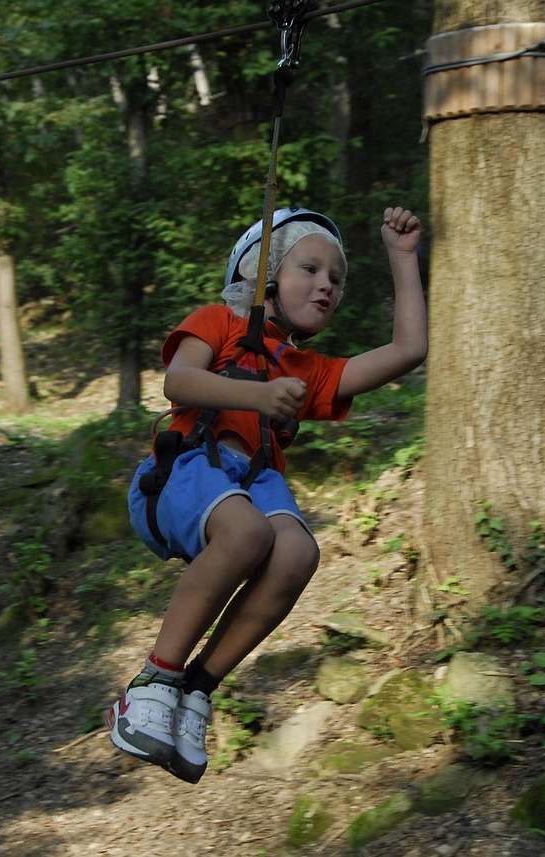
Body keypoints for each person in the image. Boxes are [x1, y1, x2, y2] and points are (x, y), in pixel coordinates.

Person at [110, 205, 427, 784]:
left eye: (337, 278)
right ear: (265, 275)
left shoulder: (310, 370)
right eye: (310, 268)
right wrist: (257, 396)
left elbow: (407, 351)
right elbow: (177, 381)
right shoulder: (219, 323)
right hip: (185, 467)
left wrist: (402, 258)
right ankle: (154, 680)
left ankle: (197, 691)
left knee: (299, 552)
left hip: (252, 481)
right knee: (251, 532)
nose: (326, 284)